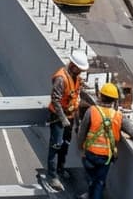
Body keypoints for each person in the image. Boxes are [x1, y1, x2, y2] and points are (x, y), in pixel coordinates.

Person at [46, 49, 89, 189]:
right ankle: (52, 176)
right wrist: (63, 118)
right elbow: (55, 100)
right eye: (79, 69)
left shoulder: (76, 77)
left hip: (70, 116)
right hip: (58, 118)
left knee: (65, 144)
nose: (80, 72)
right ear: (73, 65)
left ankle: (60, 169)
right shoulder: (61, 78)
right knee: (56, 145)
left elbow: (75, 96)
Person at [78, 81, 122, 199]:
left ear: (101, 96)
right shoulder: (118, 116)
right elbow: (132, 131)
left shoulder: (92, 111)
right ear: (114, 100)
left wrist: (80, 148)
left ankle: (89, 193)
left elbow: (82, 131)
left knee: (91, 177)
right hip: (106, 157)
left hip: (90, 153)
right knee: (100, 182)